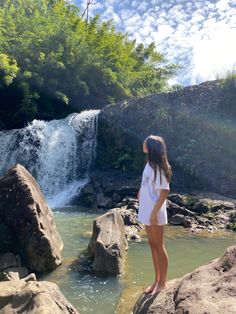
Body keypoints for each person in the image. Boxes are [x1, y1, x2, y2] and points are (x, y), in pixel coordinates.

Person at [137, 134, 172, 295]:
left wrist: (154, 213)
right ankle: (157, 280)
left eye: (146, 142)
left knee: (159, 245)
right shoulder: (149, 165)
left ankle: (163, 283)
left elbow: (164, 191)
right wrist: (140, 191)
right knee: (153, 246)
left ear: (150, 148)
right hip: (147, 209)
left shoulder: (158, 168)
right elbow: (148, 184)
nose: (143, 143)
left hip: (154, 212)